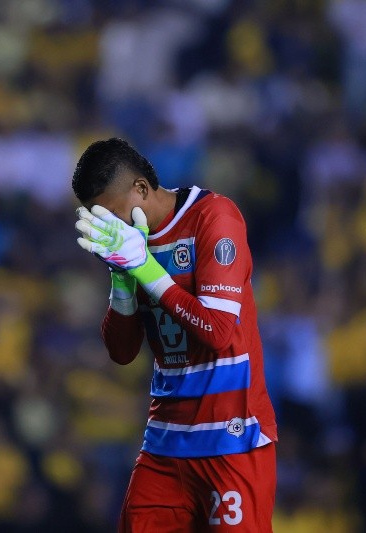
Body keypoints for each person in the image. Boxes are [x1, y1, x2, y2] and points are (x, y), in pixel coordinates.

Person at [72, 138, 277, 532]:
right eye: (103, 221)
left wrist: (146, 269)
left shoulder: (215, 217)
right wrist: (122, 276)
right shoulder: (129, 244)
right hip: (164, 444)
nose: (112, 228)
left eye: (114, 214)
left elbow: (218, 332)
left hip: (231, 439)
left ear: (142, 189)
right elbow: (122, 351)